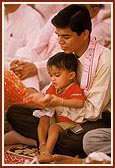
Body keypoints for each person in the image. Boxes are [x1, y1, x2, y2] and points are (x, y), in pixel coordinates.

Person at [5, 4, 111, 157]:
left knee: (77, 142)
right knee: (16, 112)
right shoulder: (69, 54)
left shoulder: (104, 61)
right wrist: (44, 101)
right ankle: (47, 141)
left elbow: (93, 111)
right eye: (58, 35)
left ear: (84, 34)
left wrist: (56, 103)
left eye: (65, 37)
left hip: (95, 120)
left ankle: (41, 141)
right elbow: (56, 87)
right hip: (63, 114)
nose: (59, 41)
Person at [25, 52, 84, 163]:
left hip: (70, 122)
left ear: (71, 75)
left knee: (54, 128)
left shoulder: (74, 88)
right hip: (57, 119)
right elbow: (46, 99)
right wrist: (38, 99)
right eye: (51, 75)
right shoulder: (53, 87)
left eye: (57, 75)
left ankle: (47, 152)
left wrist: (60, 101)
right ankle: (42, 145)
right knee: (43, 117)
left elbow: (79, 103)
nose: (53, 79)